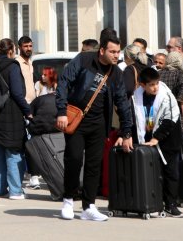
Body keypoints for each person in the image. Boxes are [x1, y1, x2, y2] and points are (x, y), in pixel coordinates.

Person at [55, 28, 134, 222]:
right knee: (73, 160)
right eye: (113, 52)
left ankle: (88, 207)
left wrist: (126, 131)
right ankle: (68, 200)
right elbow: (64, 82)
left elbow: (122, 102)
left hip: (99, 124)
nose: (117, 56)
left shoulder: (116, 73)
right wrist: (61, 112)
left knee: (94, 165)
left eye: (118, 52)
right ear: (102, 51)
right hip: (77, 121)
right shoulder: (83, 60)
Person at [0, 38, 33, 200]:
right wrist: (28, 111)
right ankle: (15, 191)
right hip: (11, 114)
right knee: (13, 152)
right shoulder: (12, 67)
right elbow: (18, 93)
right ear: (11, 50)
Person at [131, 66, 183, 218]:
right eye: (151, 85)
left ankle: (171, 205)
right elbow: (134, 118)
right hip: (147, 139)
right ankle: (152, 203)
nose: (155, 87)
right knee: (152, 173)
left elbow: (170, 119)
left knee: (171, 173)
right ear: (142, 85)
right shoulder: (136, 96)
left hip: (168, 140)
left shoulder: (167, 96)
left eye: (156, 83)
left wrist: (157, 137)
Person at [16, 36, 36, 103]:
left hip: (33, 103)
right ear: (19, 48)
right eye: (25, 46)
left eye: (30, 46)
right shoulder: (17, 63)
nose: (29, 48)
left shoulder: (30, 62)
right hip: (23, 104)